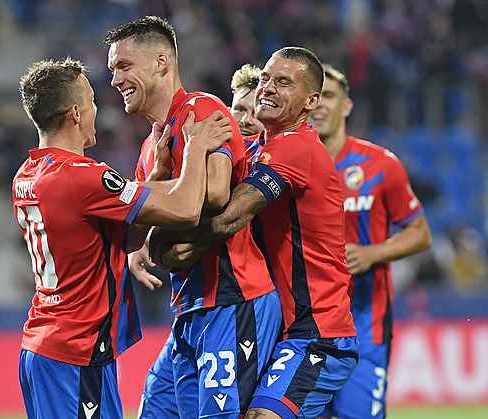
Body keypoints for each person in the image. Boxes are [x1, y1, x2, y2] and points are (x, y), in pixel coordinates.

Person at [13, 56, 233, 419]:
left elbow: (119, 235)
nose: (98, 108)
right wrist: (195, 149)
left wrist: (161, 171)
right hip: (76, 351)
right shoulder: (82, 176)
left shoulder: (28, 173)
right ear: (76, 114)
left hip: (45, 344)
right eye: (92, 101)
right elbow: (185, 209)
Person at [151, 46, 360, 419]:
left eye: (283, 82)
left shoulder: (295, 149)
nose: (267, 88)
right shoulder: (260, 149)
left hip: (317, 331)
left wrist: (166, 243)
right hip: (279, 326)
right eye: (265, 78)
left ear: (311, 100)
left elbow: (229, 219)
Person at [105, 16, 281, 419]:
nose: (115, 79)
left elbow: (218, 195)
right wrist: (155, 224)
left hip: (234, 299)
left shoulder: (202, 110)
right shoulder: (151, 148)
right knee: (155, 410)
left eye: (124, 66)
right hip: (189, 309)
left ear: (161, 62)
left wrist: (163, 231)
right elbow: (135, 237)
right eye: (114, 69)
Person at [311, 64, 433, 419]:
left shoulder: (380, 165)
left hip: (365, 325)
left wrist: (372, 253)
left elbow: (420, 233)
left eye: (330, 96)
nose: (321, 105)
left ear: (346, 106)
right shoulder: (285, 168)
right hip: (303, 329)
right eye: (315, 97)